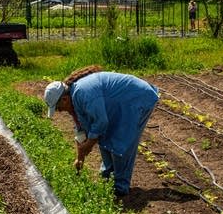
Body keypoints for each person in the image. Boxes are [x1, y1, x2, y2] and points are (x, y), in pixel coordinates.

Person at [44, 65, 159, 200]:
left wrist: (89, 144)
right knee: (104, 137)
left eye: (58, 108)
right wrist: (80, 156)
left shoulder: (83, 93)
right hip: (119, 104)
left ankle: (119, 189)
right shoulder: (74, 100)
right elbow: (81, 129)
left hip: (135, 99)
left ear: (64, 99)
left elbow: (101, 122)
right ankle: (106, 179)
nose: (60, 111)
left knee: (120, 142)